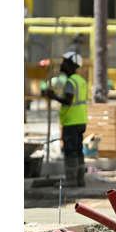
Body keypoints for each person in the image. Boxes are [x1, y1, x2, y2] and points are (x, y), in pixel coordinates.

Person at [46, 52, 88, 187]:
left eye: (64, 62)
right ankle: (80, 180)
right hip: (81, 120)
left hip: (71, 121)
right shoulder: (81, 81)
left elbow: (68, 101)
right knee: (78, 150)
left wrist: (53, 96)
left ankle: (71, 181)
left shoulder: (71, 81)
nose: (62, 64)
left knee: (70, 152)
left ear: (71, 65)